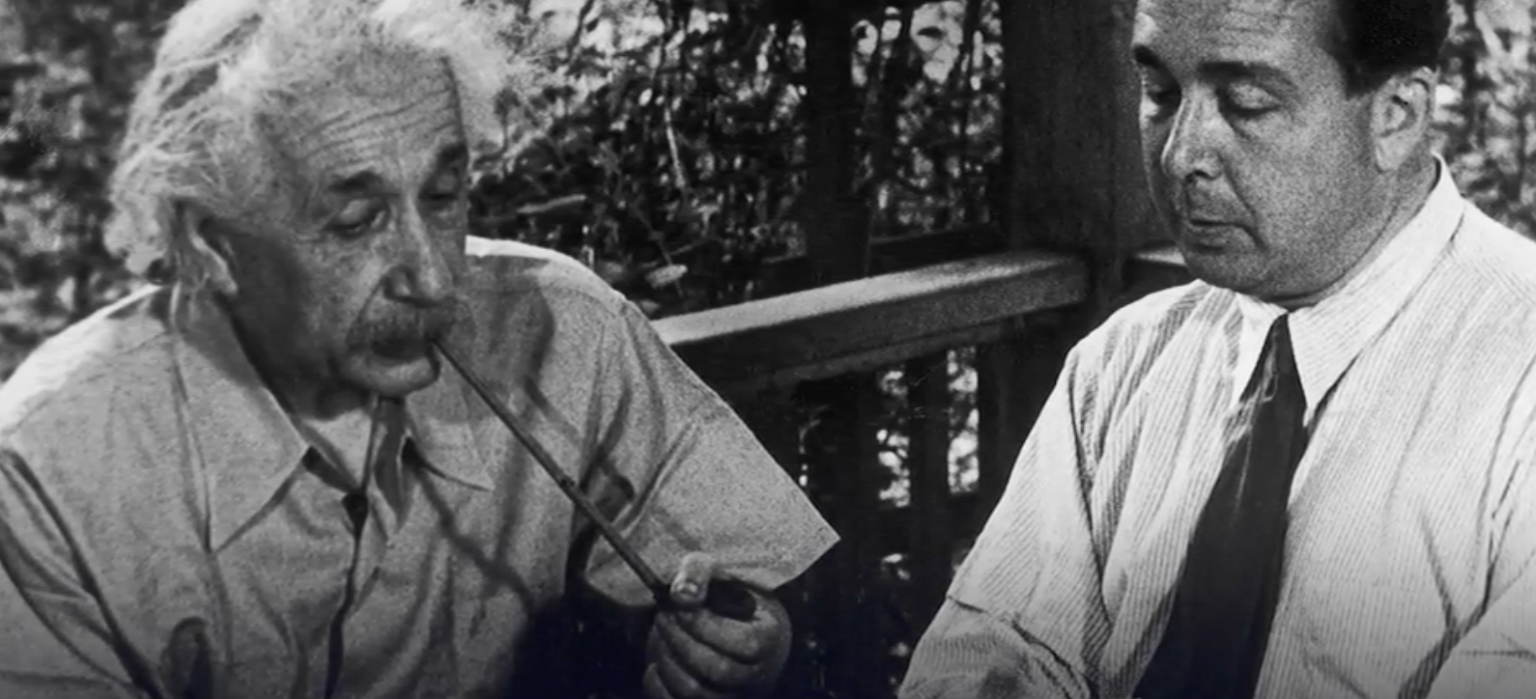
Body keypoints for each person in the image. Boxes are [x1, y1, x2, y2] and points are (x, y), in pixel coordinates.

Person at [0, 0, 837, 697]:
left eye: (443, 195)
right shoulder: (50, 467)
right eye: (356, 221)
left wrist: (739, 644)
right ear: (211, 241)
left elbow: (757, 585)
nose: (436, 277)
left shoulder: (562, 327)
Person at [900, 0, 1536, 697]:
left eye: (1246, 103)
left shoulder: (1520, 370)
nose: (1181, 156)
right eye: (1161, 92)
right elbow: (995, 652)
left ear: (1397, 115)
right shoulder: (1122, 361)